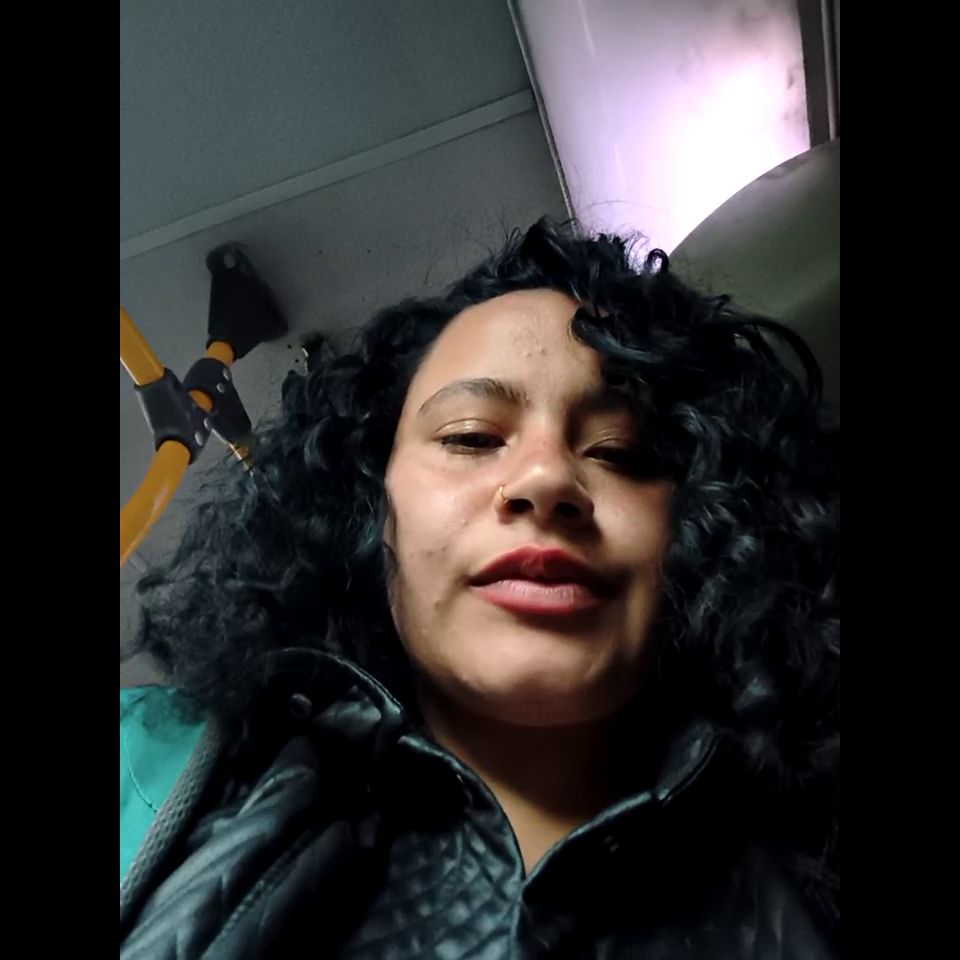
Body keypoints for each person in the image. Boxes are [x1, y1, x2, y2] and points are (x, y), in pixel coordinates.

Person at [119, 218, 839, 958]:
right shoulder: (138, 762)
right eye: (469, 435)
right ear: (372, 510)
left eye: (622, 452)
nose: (546, 477)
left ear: (703, 524)